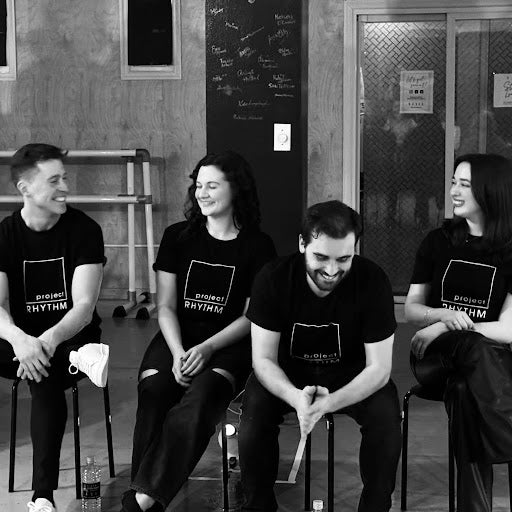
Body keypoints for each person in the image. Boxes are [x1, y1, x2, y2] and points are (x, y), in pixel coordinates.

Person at [121, 150, 276, 512]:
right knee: (156, 388)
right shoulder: (178, 237)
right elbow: (167, 307)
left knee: (204, 393)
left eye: (212, 185)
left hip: (228, 343)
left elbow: (253, 317)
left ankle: (140, 500)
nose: (201, 193)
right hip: (177, 337)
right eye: (198, 185)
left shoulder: (258, 245)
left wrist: (206, 349)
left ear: (235, 189)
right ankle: (146, 497)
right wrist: (177, 352)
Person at [239, 200, 402, 512]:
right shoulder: (273, 278)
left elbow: (379, 369)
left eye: (344, 258)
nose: (331, 270)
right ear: (302, 244)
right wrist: (293, 396)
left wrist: (329, 403)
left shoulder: (373, 281)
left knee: (384, 414)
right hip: (288, 373)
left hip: (351, 375)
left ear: (355, 248)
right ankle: (258, 506)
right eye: (320, 257)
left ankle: (375, 506)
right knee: (255, 411)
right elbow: (263, 360)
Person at [0, 143, 107, 512]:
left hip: (67, 332)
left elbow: (84, 306)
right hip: (17, 338)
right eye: (54, 180)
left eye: (65, 177)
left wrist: (42, 342)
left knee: (44, 377)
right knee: (38, 362)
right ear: (25, 188)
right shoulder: (5, 234)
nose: (65, 187)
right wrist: (19, 340)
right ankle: (80, 358)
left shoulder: (84, 230)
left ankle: (42, 497)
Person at [405, 153, 512, 511]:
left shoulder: (511, 249)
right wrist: (440, 317)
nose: (453, 191)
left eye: (464, 185)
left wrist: (447, 325)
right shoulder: (438, 241)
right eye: (454, 182)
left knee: (468, 392)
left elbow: (509, 329)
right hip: (436, 359)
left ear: (490, 191)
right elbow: (411, 309)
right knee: (474, 358)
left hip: (488, 361)